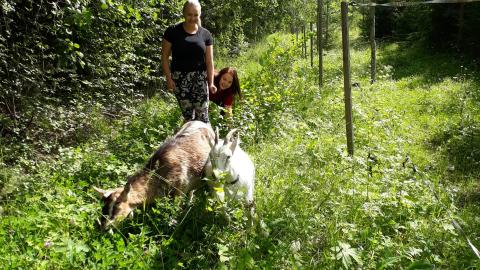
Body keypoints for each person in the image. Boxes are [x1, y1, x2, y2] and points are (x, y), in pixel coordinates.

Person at [161, 0, 216, 123]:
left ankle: (206, 141)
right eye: (189, 14)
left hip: (200, 80)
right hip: (179, 80)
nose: (192, 18)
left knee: (202, 117)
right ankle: (187, 141)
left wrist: (211, 83)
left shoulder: (205, 34)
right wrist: (168, 78)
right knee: (188, 118)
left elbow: (209, 61)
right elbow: (164, 56)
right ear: (183, 13)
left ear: (200, 14)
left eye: (195, 15)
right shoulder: (172, 31)